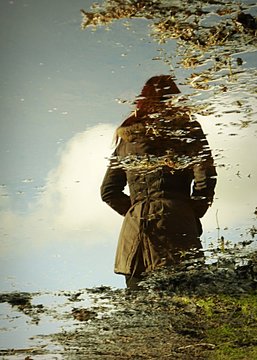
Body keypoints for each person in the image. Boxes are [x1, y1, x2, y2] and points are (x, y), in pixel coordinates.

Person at [100, 75, 217, 289]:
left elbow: (108, 192)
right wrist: (191, 211)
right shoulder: (187, 130)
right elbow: (205, 175)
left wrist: (137, 211)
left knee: (141, 311)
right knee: (187, 305)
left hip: (134, 235)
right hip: (177, 223)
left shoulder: (126, 139)